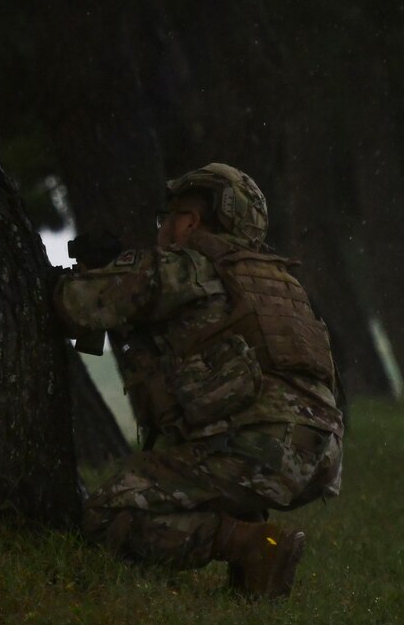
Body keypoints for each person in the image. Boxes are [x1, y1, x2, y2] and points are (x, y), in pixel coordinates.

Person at [53, 165, 343, 597]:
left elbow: (75, 306)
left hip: (256, 445)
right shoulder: (280, 282)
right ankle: (257, 569)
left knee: (107, 514)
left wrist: (68, 278)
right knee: (211, 483)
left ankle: (251, 545)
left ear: (190, 221)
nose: (165, 226)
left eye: (171, 215)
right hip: (321, 453)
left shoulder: (184, 268)